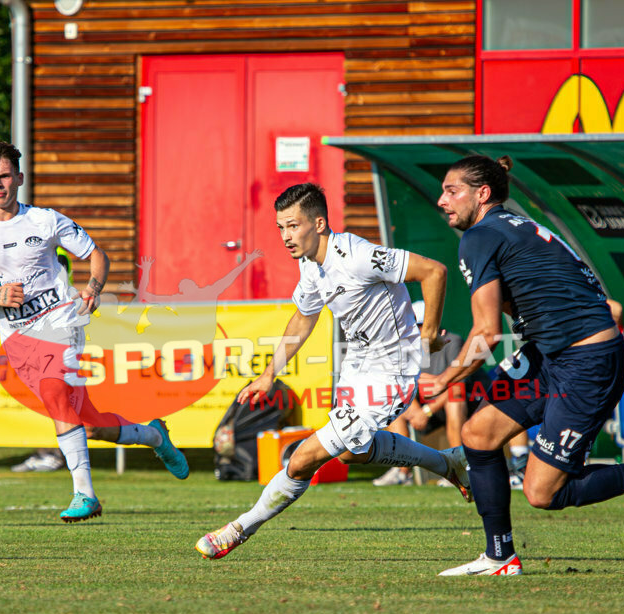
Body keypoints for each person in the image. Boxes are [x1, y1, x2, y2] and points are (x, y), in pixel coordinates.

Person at [430, 155, 624, 577]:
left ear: (483, 195)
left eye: (452, 191)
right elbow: (610, 304)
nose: (441, 200)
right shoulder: (520, 227)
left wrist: (443, 378)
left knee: (542, 493)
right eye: (443, 190)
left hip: (585, 362)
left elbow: (486, 331)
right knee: (478, 434)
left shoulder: (479, 237)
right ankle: (500, 557)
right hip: (553, 353)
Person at [195, 182, 471, 560]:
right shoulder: (311, 266)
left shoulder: (357, 255)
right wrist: (268, 374)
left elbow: (434, 272)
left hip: (392, 372)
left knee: (303, 458)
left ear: (320, 223)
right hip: (357, 367)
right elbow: (303, 319)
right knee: (350, 455)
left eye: (293, 226)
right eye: (280, 228)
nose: (286, 237)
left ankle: (240, 527)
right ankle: (448, 462)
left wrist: (425, 337)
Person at [0, 139, 190, 522]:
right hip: (17, 337)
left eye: (5, 175)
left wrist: (93, 288)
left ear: (19, 178)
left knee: (56, 393)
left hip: (62, 319)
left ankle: (84, 495)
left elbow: (96, 255)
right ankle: (154, 436)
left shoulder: (45, 220)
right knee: (87, 424)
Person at [374, 299, 489, 487]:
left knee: (455, 400)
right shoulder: (407, 348)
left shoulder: (453, 342)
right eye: (412, 326)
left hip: (466, 405)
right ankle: (402, 471)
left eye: (418, 326)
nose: (414, 331)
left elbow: (458, 385)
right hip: (429, 408)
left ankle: (458, 467)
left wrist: (425, 412)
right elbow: (401, 385)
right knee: (394, 411)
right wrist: (416, 410)